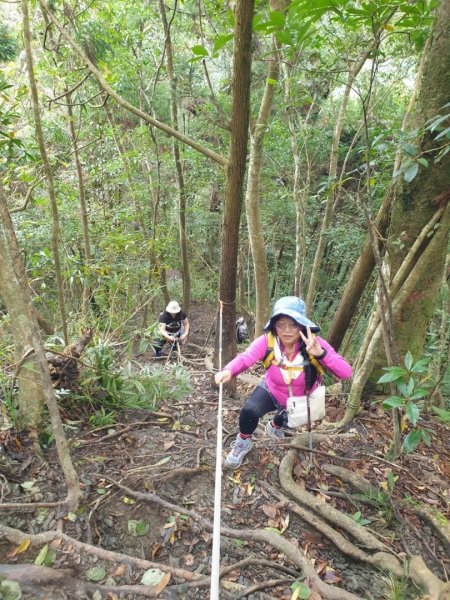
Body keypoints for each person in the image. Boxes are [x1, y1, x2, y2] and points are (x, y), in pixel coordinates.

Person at [214, 296, 352, 469]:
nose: (287, 330)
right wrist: (229, 370)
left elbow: (346, 373)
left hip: (302, 398)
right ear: (274, 326)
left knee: (289, 418)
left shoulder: (316, 344)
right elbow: (246, 357)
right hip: (272, 390)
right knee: (250, 410)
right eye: (281, 324)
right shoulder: (267, 342)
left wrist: (321, 354)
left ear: (302, 325)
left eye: (293, 324)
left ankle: (275, 426)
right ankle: (243, 442)